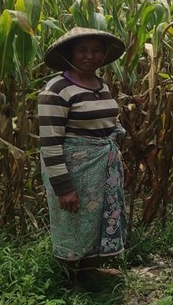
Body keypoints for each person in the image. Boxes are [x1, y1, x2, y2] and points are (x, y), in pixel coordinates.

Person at [38, 26, 128, 288]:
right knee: (71, 220)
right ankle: (65, 279)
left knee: (96, 218)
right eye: (82, 50)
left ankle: (89, 273)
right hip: (73, 168)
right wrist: (63, 187)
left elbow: (107, 128)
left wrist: (119, 163)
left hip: (102, 166)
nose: (90, 56)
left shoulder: (102, 85)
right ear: (70, 53)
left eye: (97, 50)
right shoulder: (57, 89)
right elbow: (50, 141)